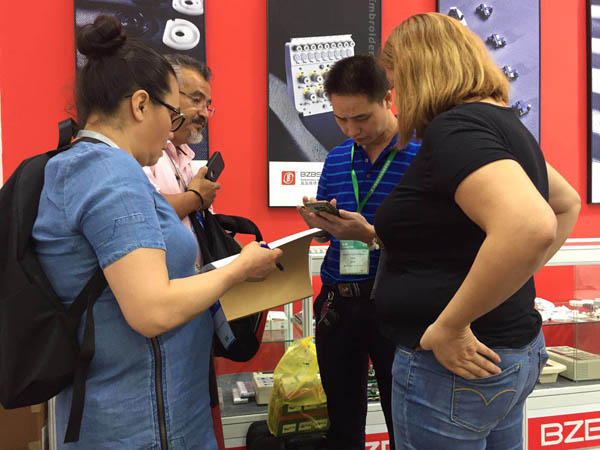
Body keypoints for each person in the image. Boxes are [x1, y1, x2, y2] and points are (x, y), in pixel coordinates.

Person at [32, 15, 281, 449]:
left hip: (144, 409)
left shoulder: (83, 165)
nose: (172, 128)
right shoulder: (111, 175)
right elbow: (152, 310)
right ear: (141, 105)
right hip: (143, 422)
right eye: (172, 112)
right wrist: (238, 269)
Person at [376, 13, 581, 449]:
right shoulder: (499, 121)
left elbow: (531, 225)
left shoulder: (457, 129)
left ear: (418, 73)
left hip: (456, 367)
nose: (393, 99)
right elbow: (565, 203)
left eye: (395, 83)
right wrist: (511, 279)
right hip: (504, 354)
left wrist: (451, 325)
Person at [297, 55, 420, 450]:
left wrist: (371, 236)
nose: (352, 130)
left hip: (397, 306)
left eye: (361, 118)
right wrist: (321, 224)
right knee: (342, 425)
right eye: (341, 119)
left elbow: (435, 242)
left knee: (404, 421)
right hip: (339, 304)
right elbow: (330, 235)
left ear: (388, 99)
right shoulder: (337, 158)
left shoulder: (423, 154)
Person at [144, 54, 218, 247]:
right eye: (196, 100)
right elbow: (144, 211)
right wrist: (195, 198)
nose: (204, 113)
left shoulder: (187, 157)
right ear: (167, 95)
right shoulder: (143, 151)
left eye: (208, 105)